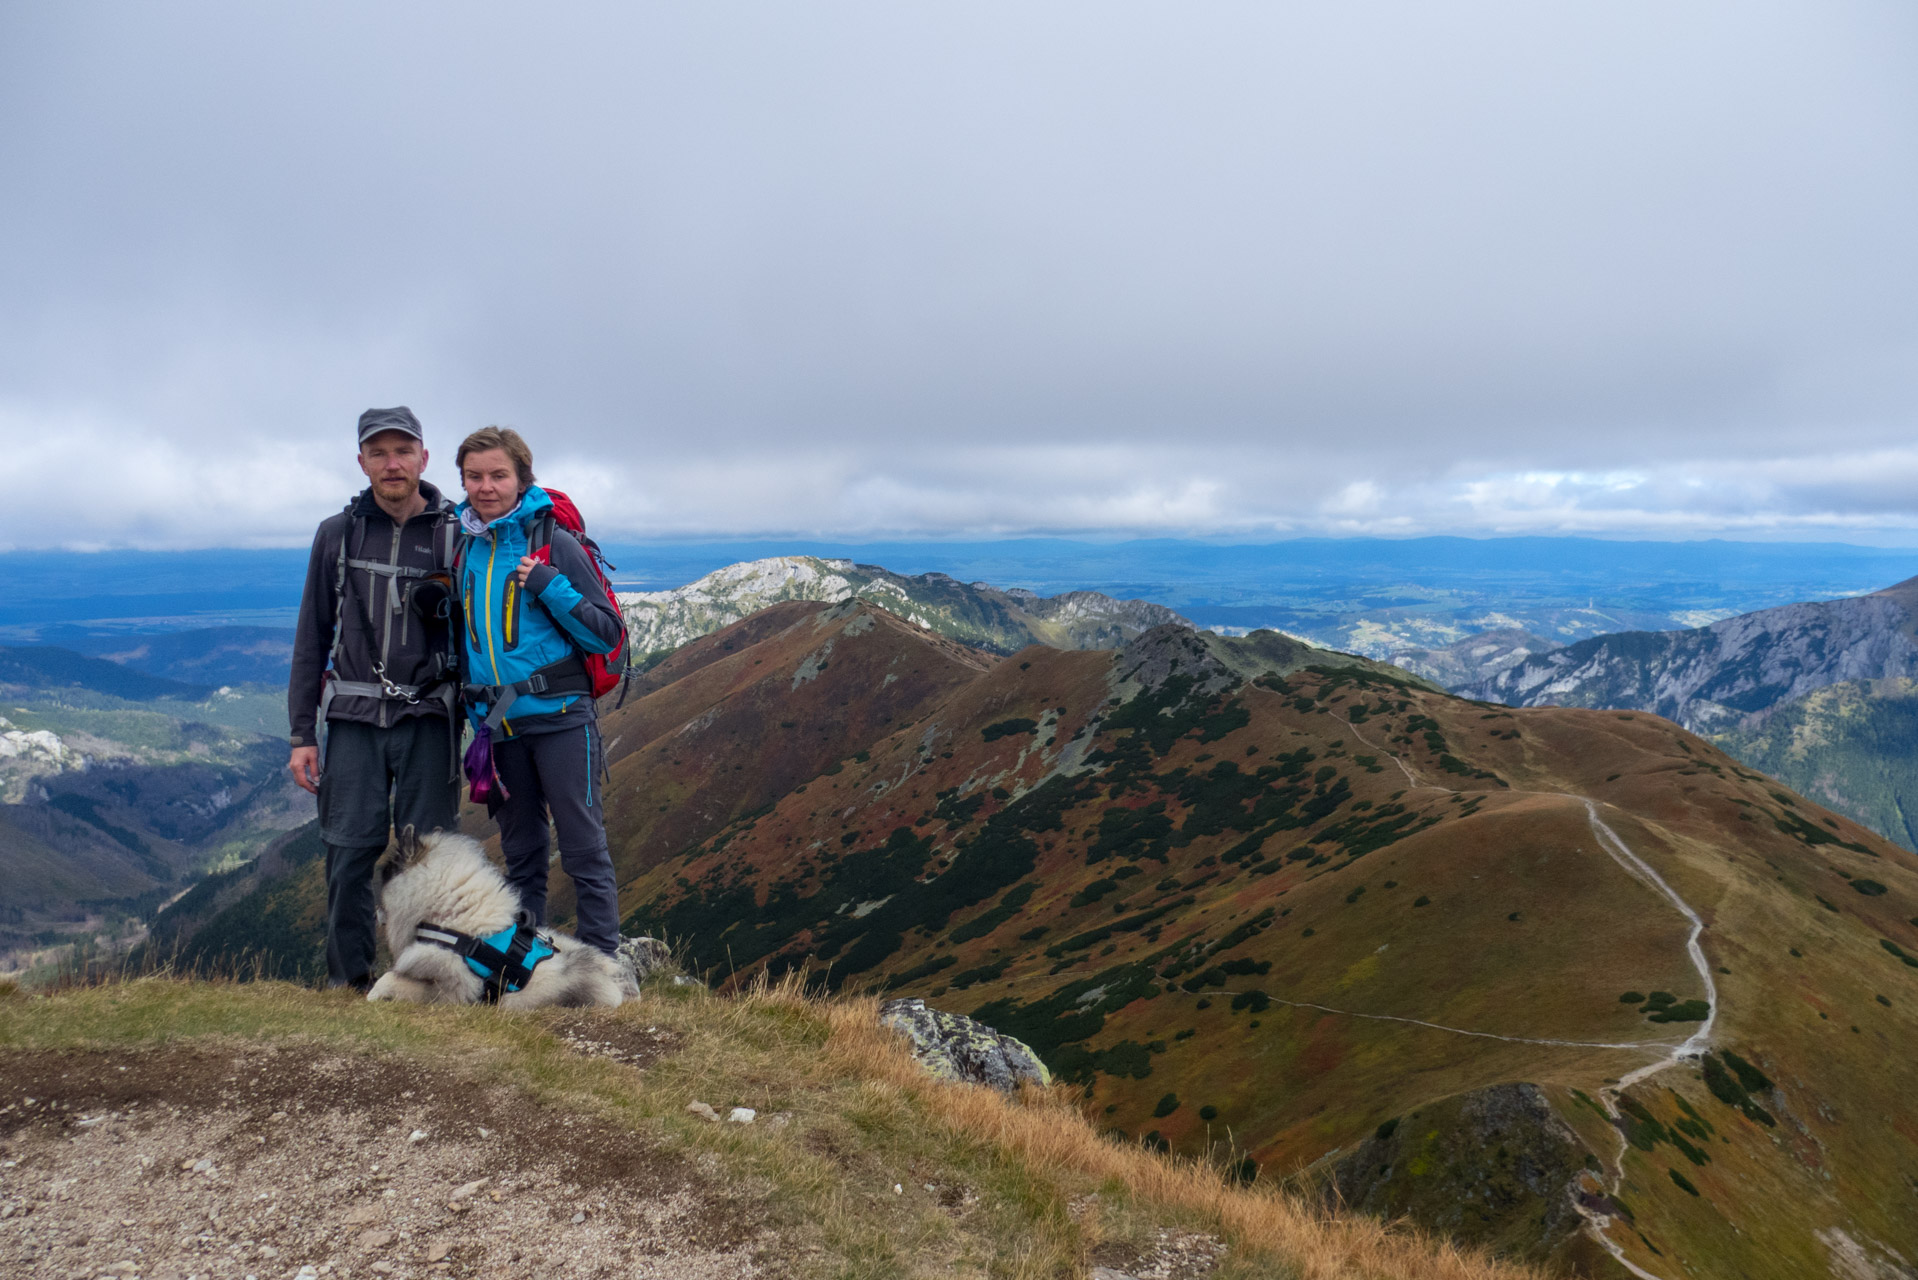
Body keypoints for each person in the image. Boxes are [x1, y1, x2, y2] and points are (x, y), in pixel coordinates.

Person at [288, 407, 464, 990]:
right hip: (354, 721)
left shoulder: (455, 535)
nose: (392, 463)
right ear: (361, 461)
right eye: (379, 452)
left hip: (429, 721)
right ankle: (350, 986)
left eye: (403, 450)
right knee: (347, 857)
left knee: (430, 864)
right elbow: (311, 637)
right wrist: (301, 735)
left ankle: (426, 983)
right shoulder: (336, 535)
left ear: (424, 458)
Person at [454, 426, 625, 956]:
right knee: (522, 853)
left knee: (582, 848)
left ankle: (603, 966)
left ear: (522, 477)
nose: (486, 487)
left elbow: (606, 633)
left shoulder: (553, 541)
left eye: (498, 475)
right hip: (499, 726)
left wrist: (550, 584)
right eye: (474, 476)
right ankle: (527, 965)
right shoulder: (463, 547)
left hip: (562, 718)